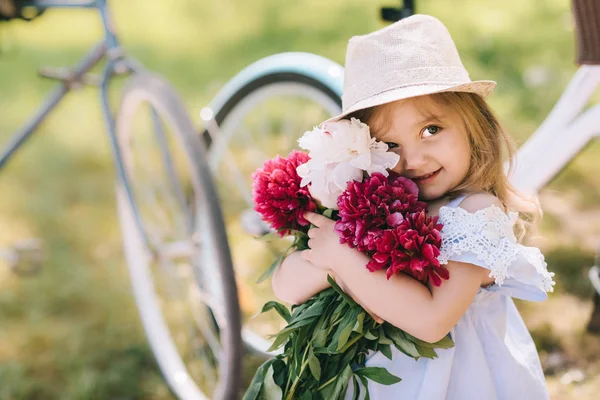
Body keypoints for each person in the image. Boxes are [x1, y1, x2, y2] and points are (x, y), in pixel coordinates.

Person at [271, 14, 555, 400]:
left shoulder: (475, 212)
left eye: (431, 130)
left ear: (474, 126)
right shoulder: (373, 206)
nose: (414, 159)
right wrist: (332, 268)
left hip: (464, 385)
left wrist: (344, 262)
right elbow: (284, 285)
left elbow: (432, 320)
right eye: (389, 146)